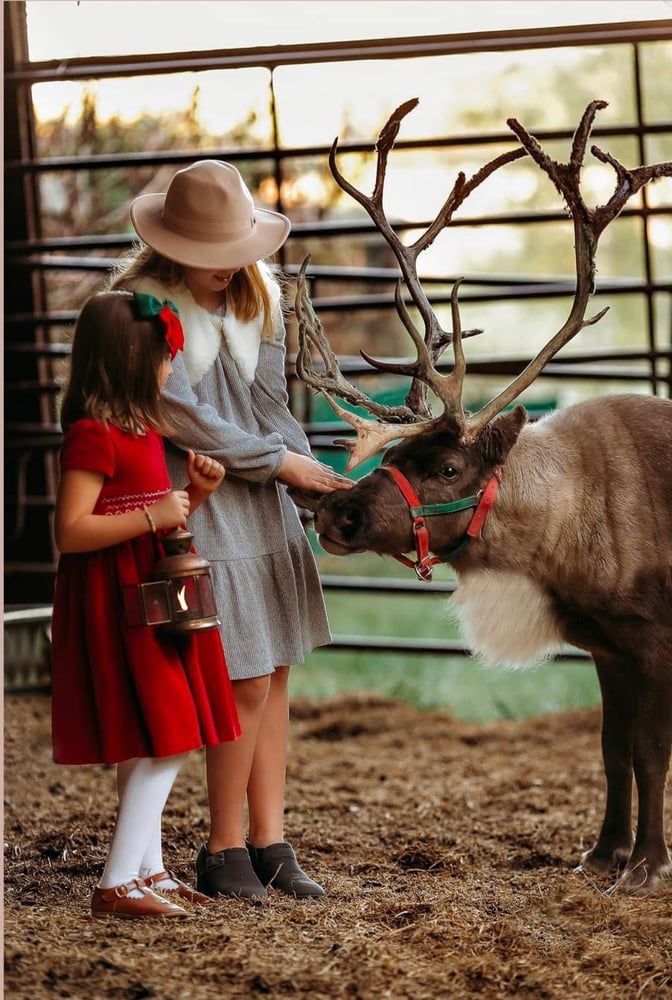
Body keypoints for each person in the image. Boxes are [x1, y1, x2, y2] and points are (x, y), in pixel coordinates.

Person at [111, 159, 352, 899]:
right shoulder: (142, 312)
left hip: (268, 503)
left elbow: (272, 407)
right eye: (209, 257)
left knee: (273, 673)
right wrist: (280, 464)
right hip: (205, 498)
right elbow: (183, 417)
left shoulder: (263, 302)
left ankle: (271, 841)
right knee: (240, 677)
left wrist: (316, 484)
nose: (226, 269)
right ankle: (223, 850)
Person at [50, 289, 242, 919]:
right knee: (170, 734)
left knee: (154, 732)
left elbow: (160, 522)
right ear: (129, 359)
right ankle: (115, 883)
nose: (170, 367)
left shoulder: (142, 430)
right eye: (163, 356)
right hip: (115, 603)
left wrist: (194, 496)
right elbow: (72, 531)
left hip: (156, 597)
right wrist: (151, 512)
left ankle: (149, 871)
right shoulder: (91, 436)